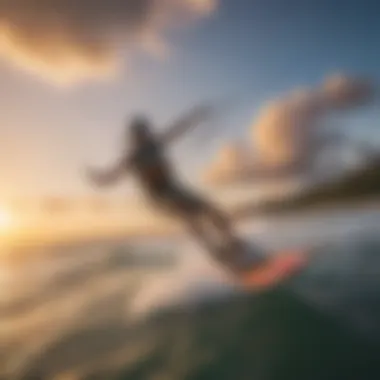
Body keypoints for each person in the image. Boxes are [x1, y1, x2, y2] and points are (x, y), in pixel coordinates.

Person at [86, 105, 242, 258]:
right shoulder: (133, 157)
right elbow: (113, 175)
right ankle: (213, 249)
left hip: (174, 189)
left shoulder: (156, 143)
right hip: (158, 197)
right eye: (139, 134)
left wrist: (195, 116)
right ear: (134, 137)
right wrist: (98, 178)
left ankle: (231, 241)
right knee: (190, 216)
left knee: (209, 208)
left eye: (145, 132)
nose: (144, 136)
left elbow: (178, 128)